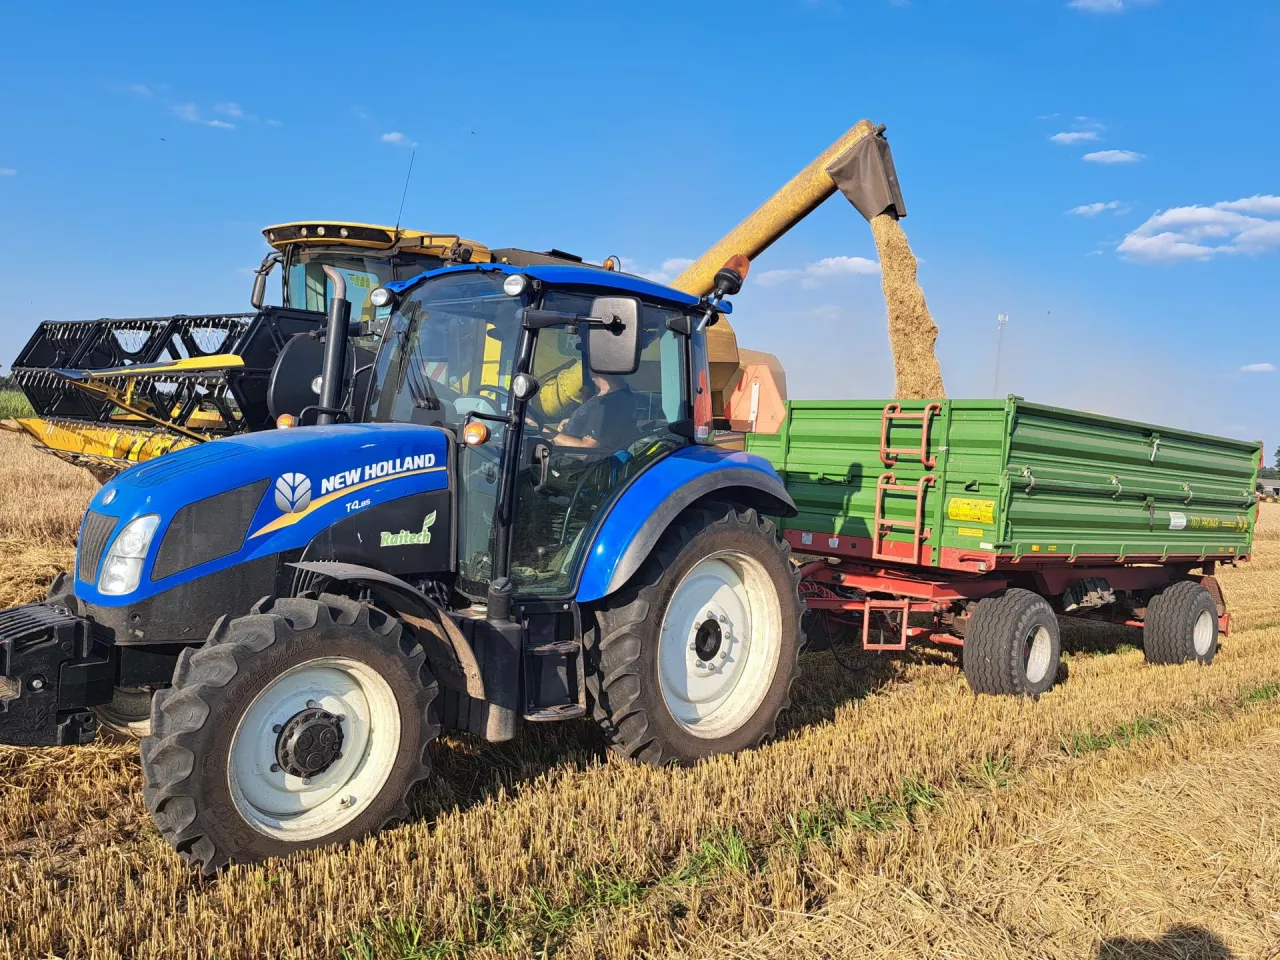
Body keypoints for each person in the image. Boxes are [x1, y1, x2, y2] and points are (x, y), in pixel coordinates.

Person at [550, 371, 636, 450]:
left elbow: (586, 449)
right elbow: (600, 423)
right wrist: (574, 421)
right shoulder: (606, 395)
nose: (589, 369)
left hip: (574, 463)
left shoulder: (609, 403)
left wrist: (543, 430)